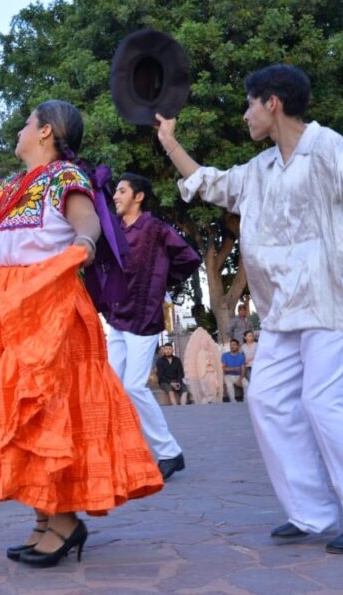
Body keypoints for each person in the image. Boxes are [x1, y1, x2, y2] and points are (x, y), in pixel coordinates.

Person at [161, 64, 343, 554]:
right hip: (283, 312)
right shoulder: (262, 168)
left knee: (328, 404)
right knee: (268, 399)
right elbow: (209, 183)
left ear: (272, 102)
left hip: (335, 303)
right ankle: (310, 511)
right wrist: (168, 140)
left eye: (250, 103)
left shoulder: (329, 147)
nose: (246, 113)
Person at [0, 100, 163, 567]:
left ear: (45, 133)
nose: (19, 130)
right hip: (5, 305)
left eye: (26, 122)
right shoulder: (10, 186)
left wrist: (83, 243)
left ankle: (65, 519)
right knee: (17, 413)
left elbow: (88, 220)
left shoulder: (65, 178)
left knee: (50, 411)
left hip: (47, 300)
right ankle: (44, 516)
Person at [84, 171, 200, 479]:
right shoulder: (113, 231)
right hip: (118, 317)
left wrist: (160, 284)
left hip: (144, 319)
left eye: (122, 191)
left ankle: (169, 452)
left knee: (134, 386)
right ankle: (112, 456)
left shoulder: (156, 229)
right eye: (116, 191)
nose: (116, 196)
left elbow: (189, 258)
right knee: (109, 387)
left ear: (139, 197)